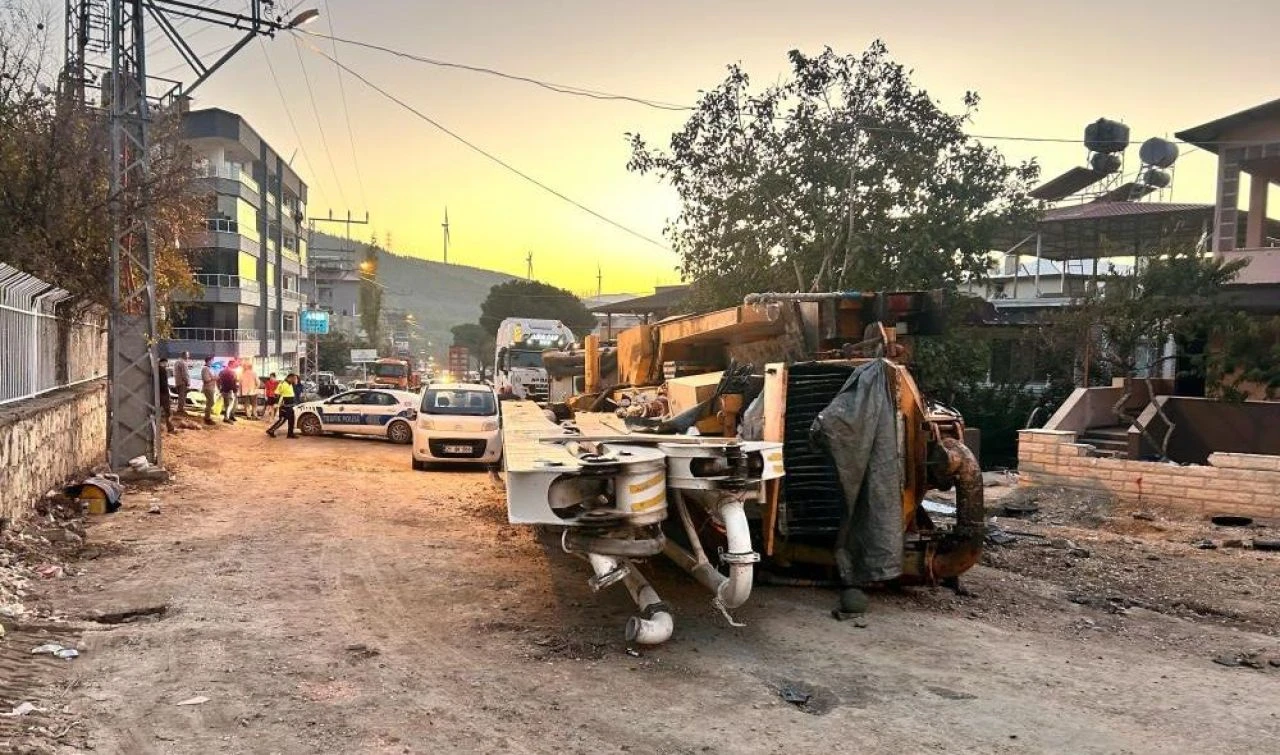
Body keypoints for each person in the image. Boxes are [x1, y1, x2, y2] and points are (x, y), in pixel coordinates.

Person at [266, 373, 300, 438]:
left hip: (289, 405)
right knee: (283, 420)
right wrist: (277, 403)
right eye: (294, 379)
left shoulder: (289, 384)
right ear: (290, 378)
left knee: (289, 419)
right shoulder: (283, 384)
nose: (295, 380)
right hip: (285, 406)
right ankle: (271, 430)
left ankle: (289, 434)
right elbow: (277, 393)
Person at [156, 356, 175, 433]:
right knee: (168, 412)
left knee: (157, 411)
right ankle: (170, 428)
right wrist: (167, 394)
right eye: (166, 363)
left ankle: (157, 428)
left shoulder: (156, 369)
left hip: (158, 393)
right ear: (164, 362)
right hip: (163, 394)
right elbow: (163, 384)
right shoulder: (163, 370)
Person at [173, 350, 191, 416]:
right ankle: (180, 409)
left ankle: (180, 408)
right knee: (182, 396)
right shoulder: (183, 363)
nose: (188, 357)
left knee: (181, 396)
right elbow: (185, 374)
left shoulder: (177, 362)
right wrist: (187, 382)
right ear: (184, 355)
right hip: (182, 382)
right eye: (187, 355)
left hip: (178, 381)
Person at [200, 356, 217, 425]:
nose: (213, 362)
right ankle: (207, 418)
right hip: (208, 388)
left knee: (210, 402)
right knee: (210, 402)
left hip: (211, 388)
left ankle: (207, 417)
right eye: (212, 360)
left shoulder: (209, 368)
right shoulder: (205, 368)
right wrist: (214, 378)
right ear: (209, 361)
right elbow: (206, 379)